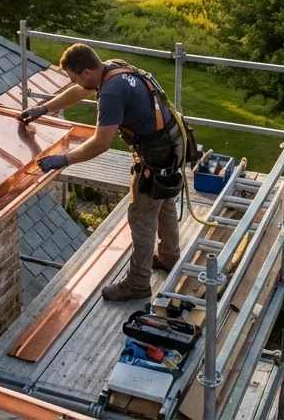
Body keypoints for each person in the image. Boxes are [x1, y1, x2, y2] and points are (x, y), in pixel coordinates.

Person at [22, 43, 188, 301]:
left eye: (73, 76)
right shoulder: (113, 68)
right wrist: (44, 109)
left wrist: (63, 159)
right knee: (163, 201)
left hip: (154, 155)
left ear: (87, 72)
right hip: (171, 145)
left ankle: (138, 284)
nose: (73, 81)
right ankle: (168, 256)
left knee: (141, 218)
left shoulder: (110, 93)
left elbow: (101, 143)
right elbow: (78, 91)